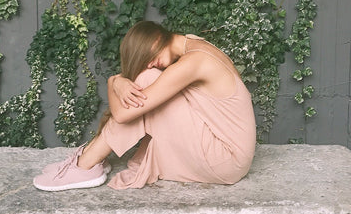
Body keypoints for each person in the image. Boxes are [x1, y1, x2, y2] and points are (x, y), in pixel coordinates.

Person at [33, 21, 256, 191]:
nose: (149, 63)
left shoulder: (193, 62)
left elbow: (121, 115)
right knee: (148, 77)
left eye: (147, 56)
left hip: (226, 159)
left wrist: (114, 81)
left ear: (158, 37)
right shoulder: (193, 43)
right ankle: (90, 158)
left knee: (147, 78)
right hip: (229, 153)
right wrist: (121, 81)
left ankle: (86, 164)